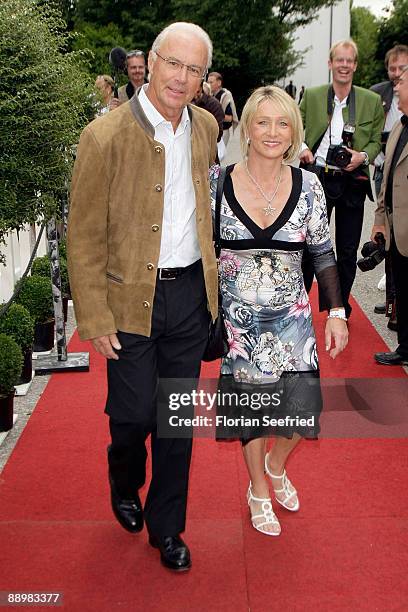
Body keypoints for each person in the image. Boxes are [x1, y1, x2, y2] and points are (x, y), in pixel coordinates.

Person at [67, 22, 219, 571]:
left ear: (203, 78)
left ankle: (168, 527)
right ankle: (124, 473)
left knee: (176, 422)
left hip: (189, 301)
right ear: (150, 63)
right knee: (132, 416)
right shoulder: (103, 135)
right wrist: (94, 314)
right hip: (129, 299)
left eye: (193, 69)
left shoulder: (205, 127)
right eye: (173, 64)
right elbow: (82, 234)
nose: (181, 78)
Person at [212, 85, 348, 536]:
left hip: (292, 320)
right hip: (239, 324)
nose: (272, 132)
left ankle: (275, 463)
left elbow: (325, 254)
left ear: (294, 133)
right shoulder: (217, 181)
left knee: (300, 411)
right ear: (246, 127)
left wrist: (337, 313)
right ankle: (257, 489)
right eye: (263, 121)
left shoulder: (309, 185)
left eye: (283, 123)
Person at [299, 39, 383, 319]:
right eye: (340, 60)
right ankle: (301, 306)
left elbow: (375, 141)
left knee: (347, 250)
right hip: (317, 178)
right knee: (310, 247)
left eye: (349, 61)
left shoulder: (370, 101)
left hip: (352, 182)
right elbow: (294, 125)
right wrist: (302, 148)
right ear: (330, 64)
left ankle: (340, 309)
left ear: (355, 65)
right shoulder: (311, 96)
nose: (344, 65)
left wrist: (363, 156)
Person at [372, 65, 408, 366]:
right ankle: (405, 347)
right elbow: (385, 178)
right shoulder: (399, 126)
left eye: (402, 82)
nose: (395, 87)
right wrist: (380, 219)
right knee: (403, 289)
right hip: (397, 228)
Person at [207, 71, 238, 145]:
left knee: (219, 156)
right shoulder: (210, 95)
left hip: (222, 132)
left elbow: (230, 118)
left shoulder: (225, 96)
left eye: (211, 82)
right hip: (212, 131)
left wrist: (213, 115)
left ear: (219, 83)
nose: (208, 84)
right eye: (208, 82)